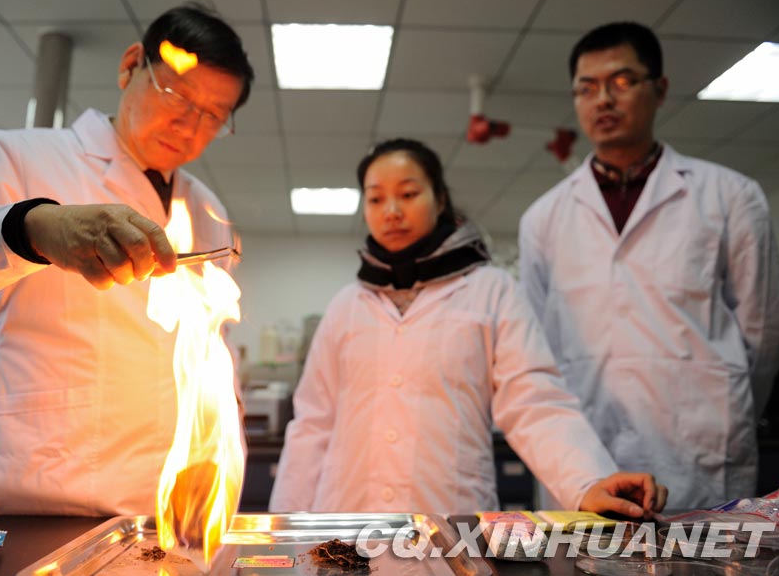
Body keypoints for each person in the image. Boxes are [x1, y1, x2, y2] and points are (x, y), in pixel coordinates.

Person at [0, 3, 254, 515]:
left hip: (170, 514)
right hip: (45, 499)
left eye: (213, 115)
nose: (189, 125)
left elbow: (207, 358)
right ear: (131, 65)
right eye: (177, 94)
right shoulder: (23, 158)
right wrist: (30, 229)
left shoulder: (206, 208)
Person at [269, 138, 668, 516]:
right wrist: (281, 528)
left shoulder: (490, 291)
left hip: (450, 517)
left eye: (408, 194)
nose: (391, 210)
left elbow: (535, 401)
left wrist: (587, 481)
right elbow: (313, 425)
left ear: (440, 199)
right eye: (376, 198)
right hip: (346, 520)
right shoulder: (347, 305)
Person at [519, 22, 779, 510]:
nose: (603, 99)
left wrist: (719, 403)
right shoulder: (542, 218)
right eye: (587, 87)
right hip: (585, 456)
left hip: (695, 456)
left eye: (621, 82)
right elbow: (537, 349)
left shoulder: (731, 196)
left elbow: (765, 330)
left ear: (660, 89)